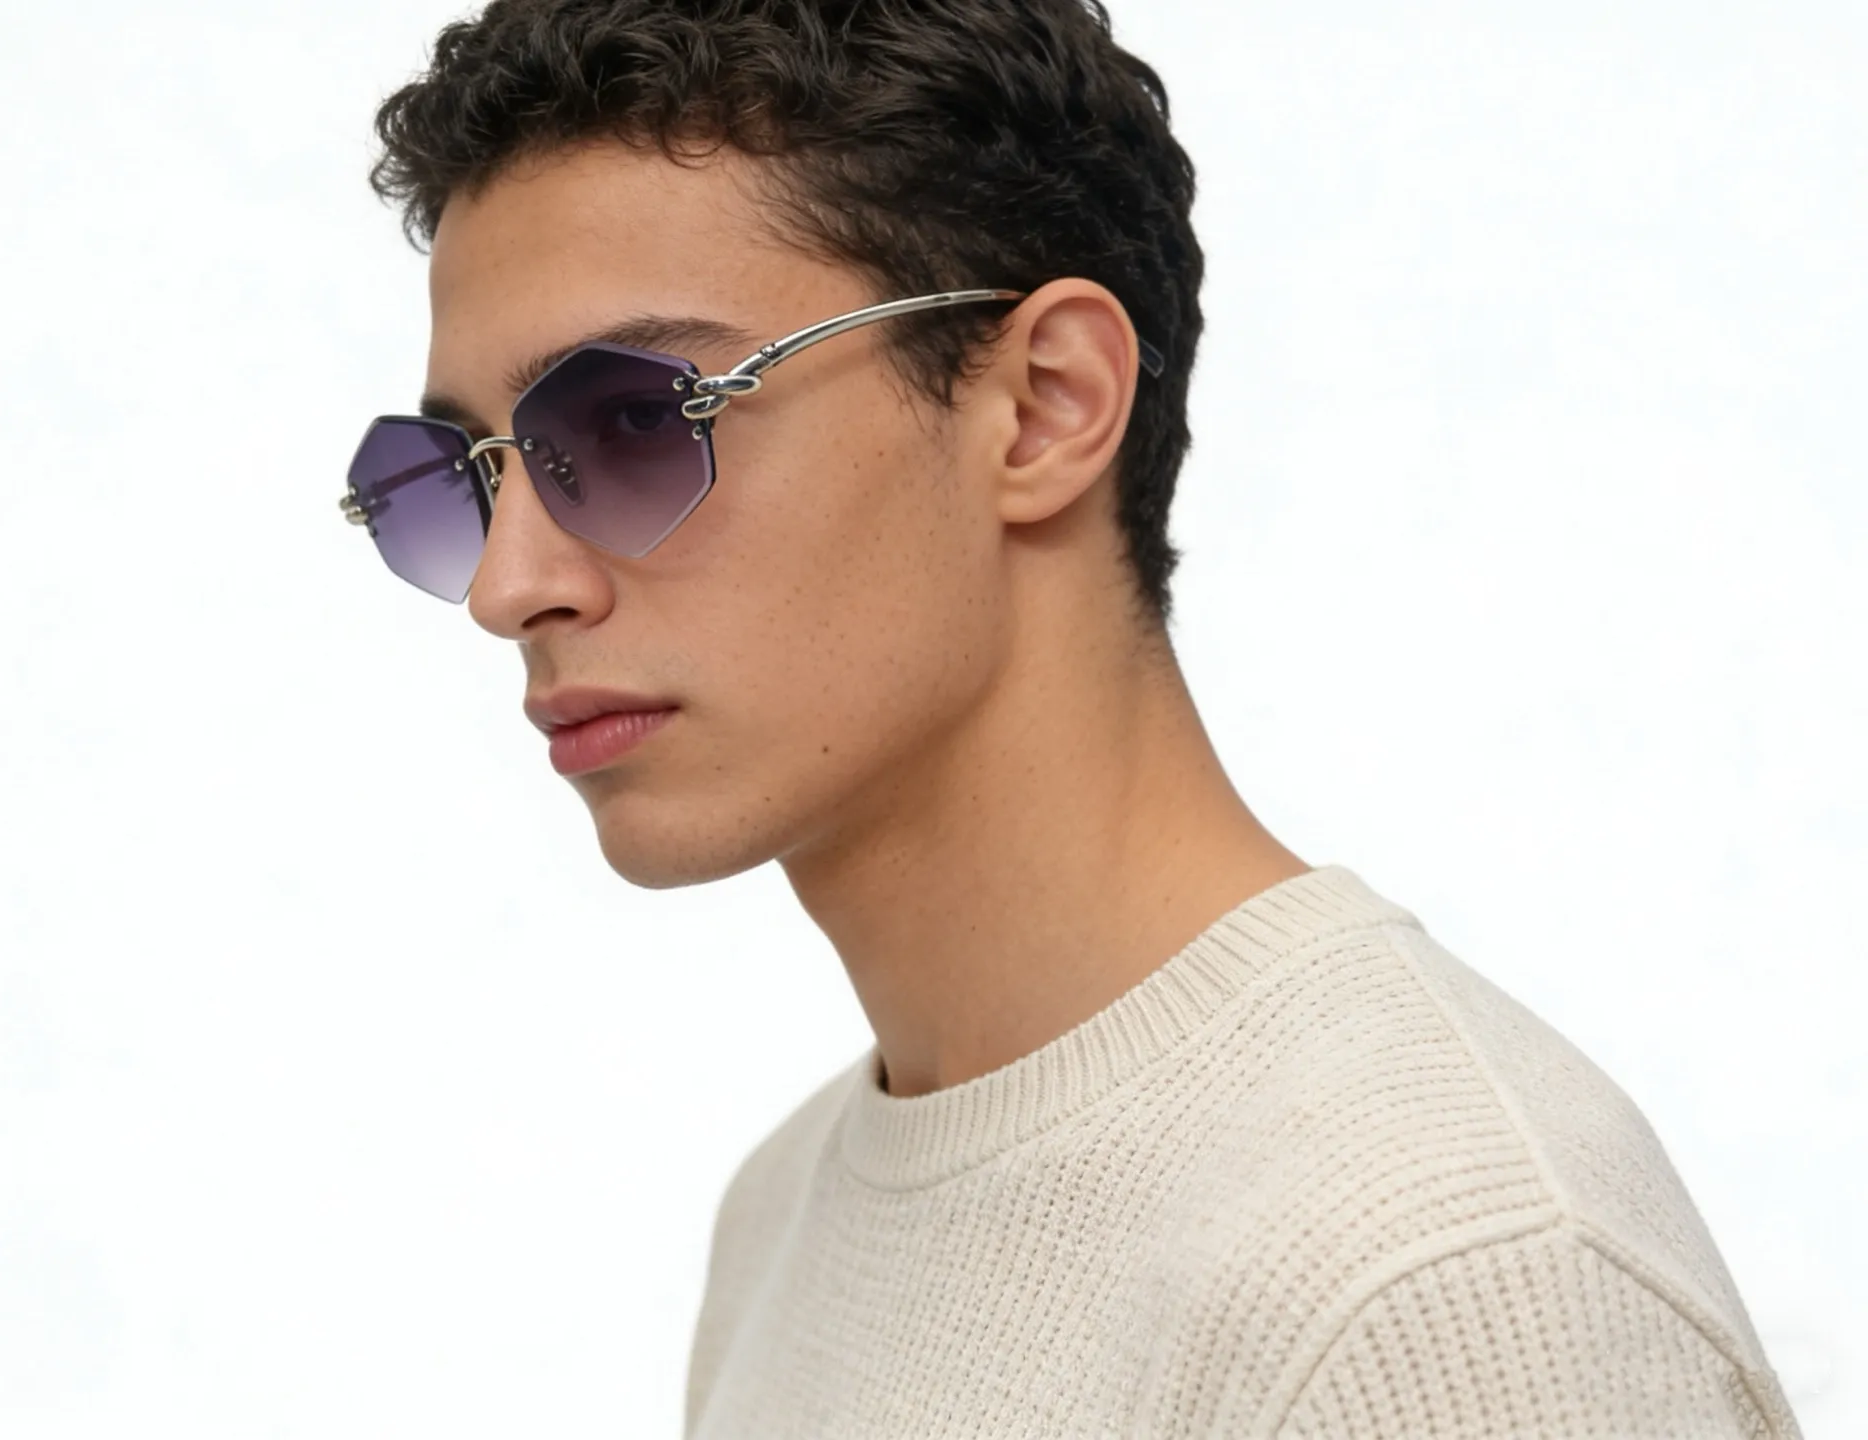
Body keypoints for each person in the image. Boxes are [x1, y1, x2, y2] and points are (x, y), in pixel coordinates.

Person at [342, 1, 1802, 1434]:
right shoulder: (785, 1220)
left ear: (1046, 403)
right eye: (459, 475)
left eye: (631, 421)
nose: (509, 587)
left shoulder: (1443, 1276)